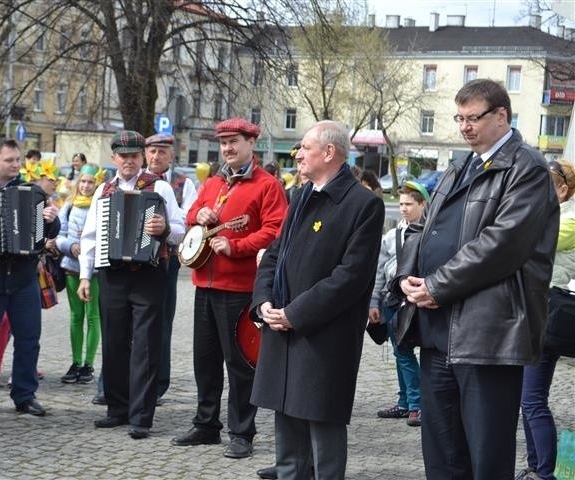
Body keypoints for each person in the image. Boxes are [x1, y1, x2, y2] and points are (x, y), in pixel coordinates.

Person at [394, 78, 559, 479]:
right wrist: (407, 276)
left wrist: (437, 285)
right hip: (438, 333)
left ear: (501, 116)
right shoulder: (460, 166)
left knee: (486, 456)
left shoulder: (527, 168)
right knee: (442, 455)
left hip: (488, 336)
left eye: (474, 118)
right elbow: (425, 228)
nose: (465, 127)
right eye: (460, 118)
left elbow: (501, 245)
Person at [251, 120, 384, 479]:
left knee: (323, 436)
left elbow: (350, 278)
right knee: (288, 439)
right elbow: (275, 254)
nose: (298, 154)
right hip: (283, 329)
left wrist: (296, 313)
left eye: (305, 147)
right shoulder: (301, 195)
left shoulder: (363, 204)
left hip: (324, 337)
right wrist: (263, 301)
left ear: (329, 152)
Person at [171, 118, 288, 459]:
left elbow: (275, 231)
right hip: (204, 284)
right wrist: (199, 214)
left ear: (251, 143)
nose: (228, 148)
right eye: (223, 143)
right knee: (204, 360)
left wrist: (237, 246)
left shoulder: (268, 186)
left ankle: (242, 432)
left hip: (239, 288)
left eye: (234, 141)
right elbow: (190, 215)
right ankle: (206, 424)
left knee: (239, 363)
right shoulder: (212, 182)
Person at [77, 130, 185, 440]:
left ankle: (141, 416)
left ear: (142, 158)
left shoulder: (159, 187)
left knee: (146, 345)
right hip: (112, 274)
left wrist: (164, 228)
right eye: (123, 157)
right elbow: (90, 237)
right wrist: (85, 276)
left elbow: (180, 230)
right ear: (113, 159)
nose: (129, 161)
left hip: (149, 273)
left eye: (134, 156)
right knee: (113, 341)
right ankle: (117, 409)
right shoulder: (103, 191)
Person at [0, 138, 60, 418]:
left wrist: (51, 219)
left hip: (23, 277)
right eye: (10, 160)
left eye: (18, 159)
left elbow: (47, 236)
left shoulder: (32, 192)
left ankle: (24, 394)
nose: (16, 164)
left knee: (29, 338)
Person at [516, 159, 575, 480]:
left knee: (533, 399)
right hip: (540, 312)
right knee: (530, 398)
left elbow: (531, 241)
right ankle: (536, 466)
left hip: (552, 314)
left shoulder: (569, 220)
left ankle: (545, 471)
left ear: (563, 190)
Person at [143, 133, 197, 400]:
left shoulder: (182, 183)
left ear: (171, 155)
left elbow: (188, 218)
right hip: (136, 259)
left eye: (161, 152)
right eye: (152, 152)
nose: (156, 157)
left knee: (162, 319)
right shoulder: (135, 180)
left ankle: (159, 382)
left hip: (168, 258)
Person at [370, 181, 428, 427]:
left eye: (409, 204)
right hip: (391, 301)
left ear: (422, 204)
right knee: (399, 353)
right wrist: (373, 302)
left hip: (418, 301)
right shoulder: (391, 237)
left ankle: (416, 404)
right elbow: (380, 272)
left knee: (406, 353)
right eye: (401, 204)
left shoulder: (429, 233)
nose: (403, 209)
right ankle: (406, 402)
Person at [56, 164, 104, 384]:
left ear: (97, 184)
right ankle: (75, 362)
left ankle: (89, 364)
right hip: (73, 266)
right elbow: (59, 235)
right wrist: (70, 245)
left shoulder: (102, 204)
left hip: (94, 269)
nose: (86, 186)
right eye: (83, 181)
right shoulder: (68, 205)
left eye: (91, 182)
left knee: (93, 316)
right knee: (76, 316)